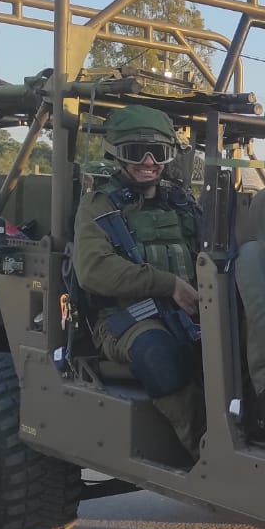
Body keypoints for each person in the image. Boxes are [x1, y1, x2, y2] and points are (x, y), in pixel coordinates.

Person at [74, 105, 206, 454]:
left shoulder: (183, 204)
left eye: (158, 153)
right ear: (116, 155)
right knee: (158, 354)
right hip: (124, 319)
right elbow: (93, 270)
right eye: (136, 153)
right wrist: (168, 284)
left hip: (188, 311)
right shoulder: (98, 206)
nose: (149, 162)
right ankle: (201, 449)